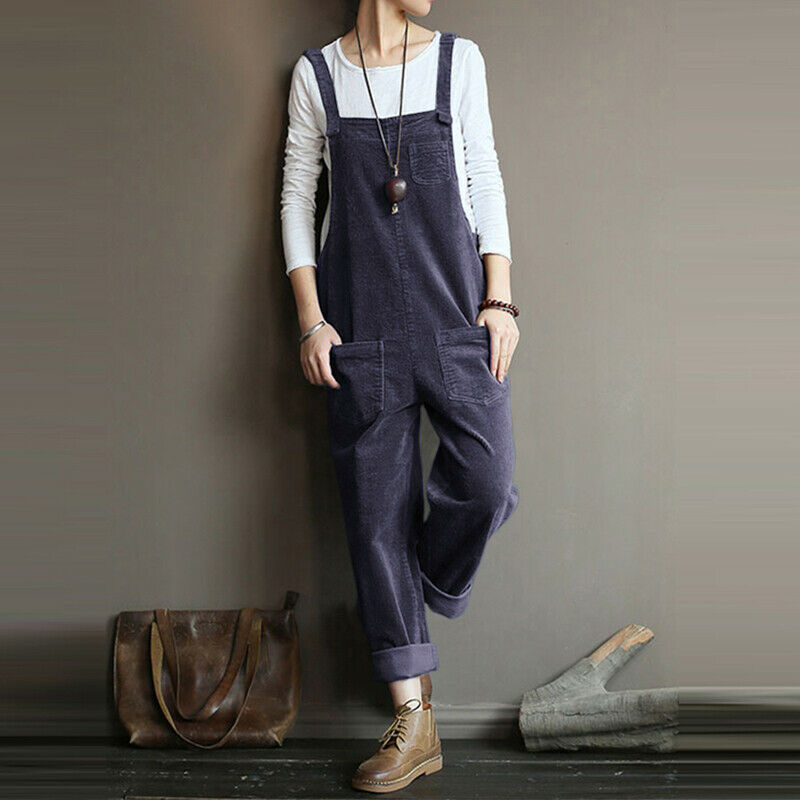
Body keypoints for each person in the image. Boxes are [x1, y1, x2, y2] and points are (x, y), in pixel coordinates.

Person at [280, 0, 520, 791]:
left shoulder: (459, 61)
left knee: (486, 484)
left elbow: (484, 175)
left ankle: (414, 592)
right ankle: (413, 724)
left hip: (456, 321)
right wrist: (312, 321)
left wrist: (500, 298)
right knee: (373, 518)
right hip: (362, 334)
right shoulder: (318, 76)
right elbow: (296, 199)